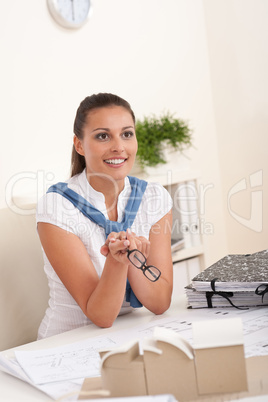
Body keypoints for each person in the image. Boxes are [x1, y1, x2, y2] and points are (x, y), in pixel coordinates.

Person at [36, 93, 173, 339]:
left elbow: (160, 302)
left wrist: (133, 260)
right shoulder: (56, 206)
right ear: (79, 145)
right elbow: (100, 316)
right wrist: (117, 261)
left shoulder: (154, 197)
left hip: (131, 334)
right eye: (102, 136)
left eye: (127, 134)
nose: (118, 147)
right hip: (68, 341)